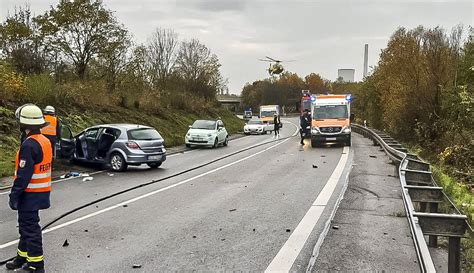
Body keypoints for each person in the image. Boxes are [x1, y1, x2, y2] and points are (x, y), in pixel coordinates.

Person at [6, 104, 52, 273]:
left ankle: (36, 265)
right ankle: (22, 257)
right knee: (25, 226)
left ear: (23, 124)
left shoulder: (29, 145)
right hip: (40, 192)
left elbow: (23, 176)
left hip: (30, 193)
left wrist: (14, 196)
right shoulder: (44, 140)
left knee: (30, 229)